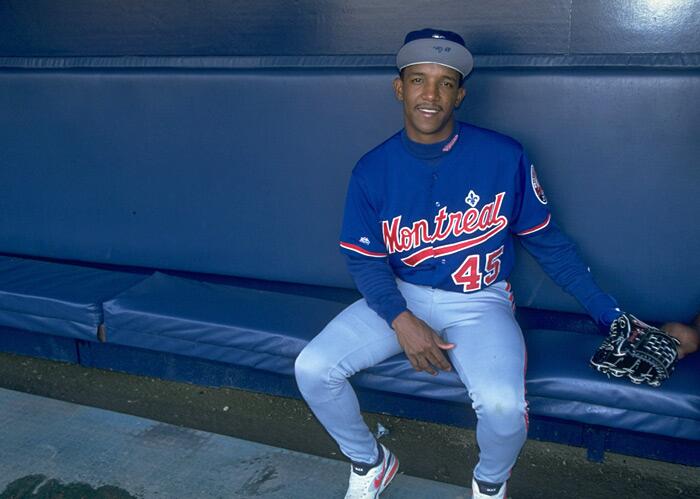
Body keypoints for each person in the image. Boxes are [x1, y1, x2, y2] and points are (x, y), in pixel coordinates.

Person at [294, 28, 624, 499]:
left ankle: (488, 486)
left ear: (460, 95)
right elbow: (365, 261)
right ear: (399, 88)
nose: (430, 95)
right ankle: (370, 462)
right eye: (418, 80)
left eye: (445, 82)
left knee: (503, 407)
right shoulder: (372, 169)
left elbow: (548, 243)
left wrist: (606, 312)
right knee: (313, 368)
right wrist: (401, 319)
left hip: (479, 301)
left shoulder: (503, 155)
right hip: (399, 292)